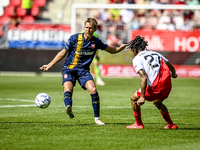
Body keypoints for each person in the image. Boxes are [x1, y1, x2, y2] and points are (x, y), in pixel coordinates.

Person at [40, 18, 127, 125]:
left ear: (95, 29)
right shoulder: (74, 38)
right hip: (69, 69)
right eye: (86, 27)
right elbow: (62, 53)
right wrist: (49, 65)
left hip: (83, 71)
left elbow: (110, 50)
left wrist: (120, 48)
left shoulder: (96, 42)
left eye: (90, 28)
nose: (88, 30)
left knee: (93, 90)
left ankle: (97, 119)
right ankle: (69, 107)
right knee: (68, 88)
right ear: (84, 27)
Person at [126, 35, 178, 129]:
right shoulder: (156, 53)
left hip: (156, 87)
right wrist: (174, 75)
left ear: (135, 49)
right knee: (157, 102)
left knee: (133, 98)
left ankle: (138, 124)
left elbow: (144, 77)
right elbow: (171, 67)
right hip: (167, 86)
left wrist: (142, 97)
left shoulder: (137, 58)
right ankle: (171, 124)